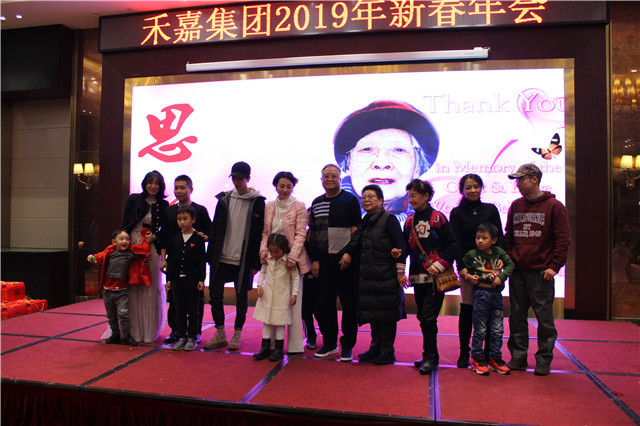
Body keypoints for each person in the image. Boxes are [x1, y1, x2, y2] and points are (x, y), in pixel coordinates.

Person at [505, 163, 571, 376]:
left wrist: (554, 266)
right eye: (516, 180)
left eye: (521, 179)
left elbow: (563, 240)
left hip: (541, 273)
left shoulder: (554, 206)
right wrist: (509, 259)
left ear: (535, 179)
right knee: (516, 316)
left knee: (544, 319)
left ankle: (544, 359)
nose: (517, 184)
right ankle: (518, 357)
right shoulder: (516, 205)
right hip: (517, 271)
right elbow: (509, 236)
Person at [333, 100, 440, 224]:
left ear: (418, 167)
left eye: (399, 150)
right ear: (347, 165)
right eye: (367, 149)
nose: (382, 163)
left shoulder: (432, 221)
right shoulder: (334, 213)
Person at [341, 184, 407, 365]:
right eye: (364, 197)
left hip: (385, 276)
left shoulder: (389, 220)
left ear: (380, 200)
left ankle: (387, 351)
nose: (366, 199)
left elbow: (401, 246)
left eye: (371, 196)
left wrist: (400, 271)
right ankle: (375, 347)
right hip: (369, 276)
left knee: (386, 314)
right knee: (374, 313)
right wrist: (348, 253)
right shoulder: (365, 221)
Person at [204, 161, 265, 351]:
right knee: (215, 296)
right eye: (234, 178)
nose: (237, 181)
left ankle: (237, 333)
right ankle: (220, 332)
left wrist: (255, 262)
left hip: (243, 259)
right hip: (221, 257)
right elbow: (215, 228)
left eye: (240, 178)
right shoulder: (224, 199)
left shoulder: (257, 202)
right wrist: (210, 255)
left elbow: (259, 233)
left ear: (248, 178)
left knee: (241, 298)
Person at [306, 164, 361, 361]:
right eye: (326, 176)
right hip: (324, 262)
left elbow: (357, 229)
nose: (329, 179)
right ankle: (329, 344)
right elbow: (312, 234)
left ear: (339, 179)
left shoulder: (350, 200)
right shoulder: (317, 202)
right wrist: (315, 259)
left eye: (333, 176)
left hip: (345, 262)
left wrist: (349, 254)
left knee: (348, 305)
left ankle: (347, 346)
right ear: (321, 179)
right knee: (325, 305)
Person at [403, 179, 458, 375]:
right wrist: (398, 263)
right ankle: (432, 355)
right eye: (409, 196)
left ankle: (429, 356)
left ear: (426, 196)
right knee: (423, 317)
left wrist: (439, 264)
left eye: (414, 196)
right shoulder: (409, 221)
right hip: (417, 277)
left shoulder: (438, 218)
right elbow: (405, 248)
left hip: (435, 278)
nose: (410, 200)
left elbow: (452, 245)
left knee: (427, 316)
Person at [449, 174, 504, 368]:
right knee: (467, 309)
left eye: (476, 186)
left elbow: (500, 238)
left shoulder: (490, 209)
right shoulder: (456, 213)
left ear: (481, 188)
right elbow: (455, 243)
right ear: (462, 190)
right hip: (468, 268)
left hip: (490, 268)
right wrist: (462, 267)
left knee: (489, 311)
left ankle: (488, 353)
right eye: (468, 187)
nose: (472, 190)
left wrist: (500, 262)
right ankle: (465, 352)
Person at [259, 171, 310, 353]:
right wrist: (263, 251)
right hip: (272, 257)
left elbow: (300, 234)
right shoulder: (270, 206)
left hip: (291, 260)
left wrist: (292, 257)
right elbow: (266, 232)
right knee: (271, 302)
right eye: (282, 186)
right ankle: (270, 345)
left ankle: (294, 346)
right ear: (276, 186)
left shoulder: (299, 206)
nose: (285, 190)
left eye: (289, 186)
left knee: (292, 304)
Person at [159, 175, 212, 345]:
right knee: (175, 302)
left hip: (193, 267)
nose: (179, 191)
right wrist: (163, 259)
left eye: (182, 187)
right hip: (174, 264)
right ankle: (176, 331)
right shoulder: (169, 211)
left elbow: (211, 233)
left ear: (191, 189)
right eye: (176, 187)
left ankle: (195, 333)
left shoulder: (200, 210)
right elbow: (164, 236)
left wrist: (205, 237)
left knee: (195, 304)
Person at [460, 223, 515, 375]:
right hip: (481, 294)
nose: (480, 241)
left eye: (484, 238)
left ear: (494, 240)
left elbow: (511, 265)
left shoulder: (498, 252)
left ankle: (495, 359)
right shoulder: (471, 254)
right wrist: (469, 277)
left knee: (497, 329)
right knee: (480, 329)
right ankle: (477, 359)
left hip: (496, 295)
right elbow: (461, 267)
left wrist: (501, 277)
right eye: (478, 237)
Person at [121, 170, 169, 343]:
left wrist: (155, 236)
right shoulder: (134, 200)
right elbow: (125, 223)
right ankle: (133, 330)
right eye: (150, 182)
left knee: (150, 286)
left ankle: (149, 330)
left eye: (157, 183)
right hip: (133, 246)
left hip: (152, 249)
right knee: (133, 286)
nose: (153, 186)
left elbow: (166, 230)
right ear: (145, 183)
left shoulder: (164, 205)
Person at [88, 228, 152, 347]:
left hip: (121, 291)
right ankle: (115, 334)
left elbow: (143, 250)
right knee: (111, 315)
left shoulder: (130, 254)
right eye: (121, 239)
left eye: (127, 239)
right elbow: (99, 257)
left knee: (123, 314)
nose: (124, 241)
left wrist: (147, 239)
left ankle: (127, 336)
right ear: (114, 242)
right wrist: (92, 257)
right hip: (107, 291)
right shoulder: (109, 252)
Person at [253, 234, 301, 362]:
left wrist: (294, 294)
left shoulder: (289, 262)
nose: (273, 254)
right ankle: (265, 348)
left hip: (282, 296)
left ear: (284, 249)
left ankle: (279, 349)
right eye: (271, 251)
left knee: (280, 322)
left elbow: (295, 278)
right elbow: (262, 272)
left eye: (277, 252)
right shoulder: (267, 258)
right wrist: (259, 285)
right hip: (267, 294)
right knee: (266, 321)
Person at [165, 205, 206, 351]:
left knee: (193, 310)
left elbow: (202, 261)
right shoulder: (175, 238)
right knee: (179, 309)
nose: (182, 222)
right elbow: (171, 260)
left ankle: (192, 336)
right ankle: (181, 335)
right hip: (177, 280)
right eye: (179, 219)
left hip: (192, 280)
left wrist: (201, 279)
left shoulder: (198, 239)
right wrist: (169, 279)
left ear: (193, 220)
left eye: (185, 219)